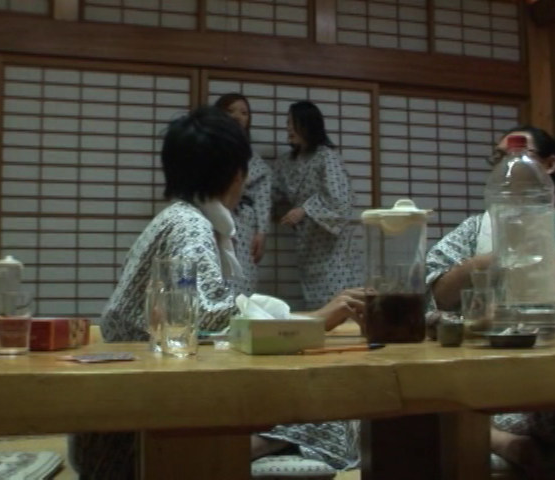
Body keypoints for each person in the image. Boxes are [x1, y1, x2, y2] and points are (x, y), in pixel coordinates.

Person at [69, 107, 364, 479]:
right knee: (328, 405)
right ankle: (228, 450)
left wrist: (308, 320)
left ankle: (235, 446)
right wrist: (316, 321)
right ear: (236, 174)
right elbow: (211, 321)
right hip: (136, 433)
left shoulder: (179, 217)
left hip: (124, 414)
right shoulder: (190, 225)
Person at [425, 125, 555, 475]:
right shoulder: (476, 229)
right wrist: (486, 260)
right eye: (499, 157)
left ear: (549, 165)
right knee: (412, 398)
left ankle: (501, 442)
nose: (506, 164)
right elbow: (433, 291)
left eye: (519, 155)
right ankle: (522, 447)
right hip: (480, 367)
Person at [272, 100, 361, 310]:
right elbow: (275, 194)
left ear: (308, 125)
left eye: (294, 123)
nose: (289, 128)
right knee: (315, 307)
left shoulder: (326, 157)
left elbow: (340, 201)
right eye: (287, 123)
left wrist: (304, 210)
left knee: (339, 302)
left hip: (332, 248)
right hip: (307, 245)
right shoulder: (285, 162)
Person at [215, 93, 272, 297]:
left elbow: (263, 196)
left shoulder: (253, 158)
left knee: (243, 277)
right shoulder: (206, 148)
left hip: (245, 222)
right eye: (230, 111)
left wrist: (261, 232)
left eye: (244, 113)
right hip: (213, 216)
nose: (237, 116)